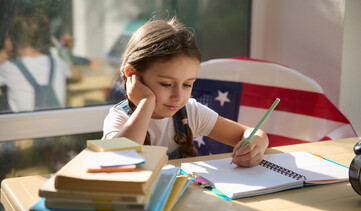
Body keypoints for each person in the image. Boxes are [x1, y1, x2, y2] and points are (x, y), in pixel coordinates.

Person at [102, 17, 268, 167]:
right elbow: (119, 159)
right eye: (166, 84)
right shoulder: (119, 117)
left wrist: (255, 145)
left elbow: (253, 133)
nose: (178, 96)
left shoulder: (190, 112)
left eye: (187, 85)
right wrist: (146, 102)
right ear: (133, 75)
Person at [0, 8, 81, 112]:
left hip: (25, 127)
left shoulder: (8, 68)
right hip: (58, 126)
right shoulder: (56, 62)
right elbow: (78, 75)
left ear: (12, 39)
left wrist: (6, 51)